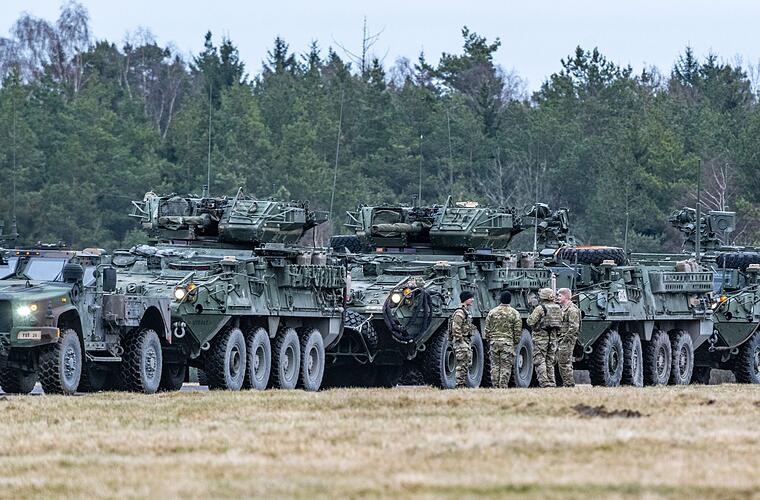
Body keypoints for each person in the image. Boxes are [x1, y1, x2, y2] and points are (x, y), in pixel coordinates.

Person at [484, 290, 522, 388]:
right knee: (506, 366)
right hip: (507, 343)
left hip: (494, 342)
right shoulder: (515, 313)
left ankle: (495, 386)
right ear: (510, 300)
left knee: (495, 366)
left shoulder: (492, 312)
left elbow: (487, 329)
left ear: (500, 299)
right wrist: (515, 342)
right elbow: (517, 331)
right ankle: (503, 386)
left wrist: (489, 340)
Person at [527, 288, 562, 387]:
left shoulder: (540, 308)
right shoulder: (558, 308)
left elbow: (530, 322)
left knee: (540, 361)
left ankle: (544, 382)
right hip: (553, 339)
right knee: (550, 361)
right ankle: (552, 382)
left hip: (540, 338)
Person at [450, 290, 475, 388]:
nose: (472, 300)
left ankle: (461, 384)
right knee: (461, 365)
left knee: (466, 363)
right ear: (465, 299)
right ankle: (459, 385)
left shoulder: (465, 311)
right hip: (461, 341)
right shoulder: (460, 312)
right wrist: (461, 340)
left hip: (465, 340)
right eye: (470, 298)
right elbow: (456, 328)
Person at [556, 287, 581, 387]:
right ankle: (567, 384)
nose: (558, 298)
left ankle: (569, 384)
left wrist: (565, 339)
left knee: (565, 363)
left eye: (559, 296)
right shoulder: (563, 309)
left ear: (565, 297)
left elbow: (574, 327)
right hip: (562, 339)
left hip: (567, 340)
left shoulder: (572, 310)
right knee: (563, 362)